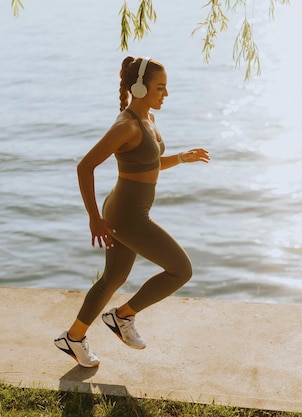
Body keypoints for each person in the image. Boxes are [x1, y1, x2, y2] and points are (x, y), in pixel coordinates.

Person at [54, 56, 210, 367]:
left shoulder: (148, 119)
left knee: (112, 278)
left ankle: (72, 338)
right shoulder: (126, 126)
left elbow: (149, 164)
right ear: (139, 88)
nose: (165, 94)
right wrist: (94, 218)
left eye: (166, 88)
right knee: (181, 270)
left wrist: (181, 157)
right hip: (127, 217)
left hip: (125, 211)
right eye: (160, 88)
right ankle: (122, 316)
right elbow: (85, 167)